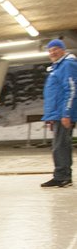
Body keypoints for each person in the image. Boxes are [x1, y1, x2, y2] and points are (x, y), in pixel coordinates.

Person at [40, 39, 77, 188]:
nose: (52, 53)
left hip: (63, 113)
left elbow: (72, 89)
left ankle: (62, 176)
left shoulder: (67, 65)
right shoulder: (57, 67)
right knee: (59, 145)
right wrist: (50, 117)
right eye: (50, 50)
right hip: (57, 113)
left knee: (61, 145)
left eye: (55, 49)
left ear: (63, 50)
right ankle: (61, 175)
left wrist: (67, 113)